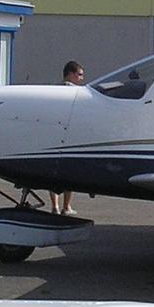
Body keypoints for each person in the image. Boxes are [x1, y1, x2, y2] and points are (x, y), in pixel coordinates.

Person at [52, 60, 86, 215]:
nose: (81, 78)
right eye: (79, 74)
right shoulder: (77, 92)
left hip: (54, 138)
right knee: (69, 176)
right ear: (71, 74)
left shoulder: (54, 91)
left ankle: (55, 206)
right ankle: (66, 207)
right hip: (70, 138)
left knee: (52, 175)